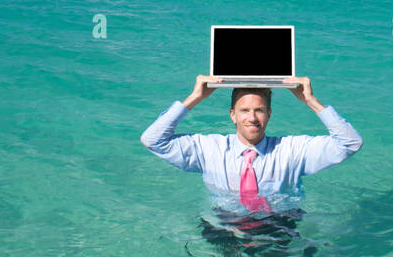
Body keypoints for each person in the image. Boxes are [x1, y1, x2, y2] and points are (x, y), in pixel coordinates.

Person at [140, 76, 363, 214]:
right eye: (245, 110)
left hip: (279, 223)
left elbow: (350, 143)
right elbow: (153, 140)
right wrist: (195, 97)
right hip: (225, 224)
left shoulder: (292, 149)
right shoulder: (208, 148)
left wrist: (312, 102)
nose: (252, 118)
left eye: (259, 110)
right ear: (232, 115)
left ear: (269, 114)